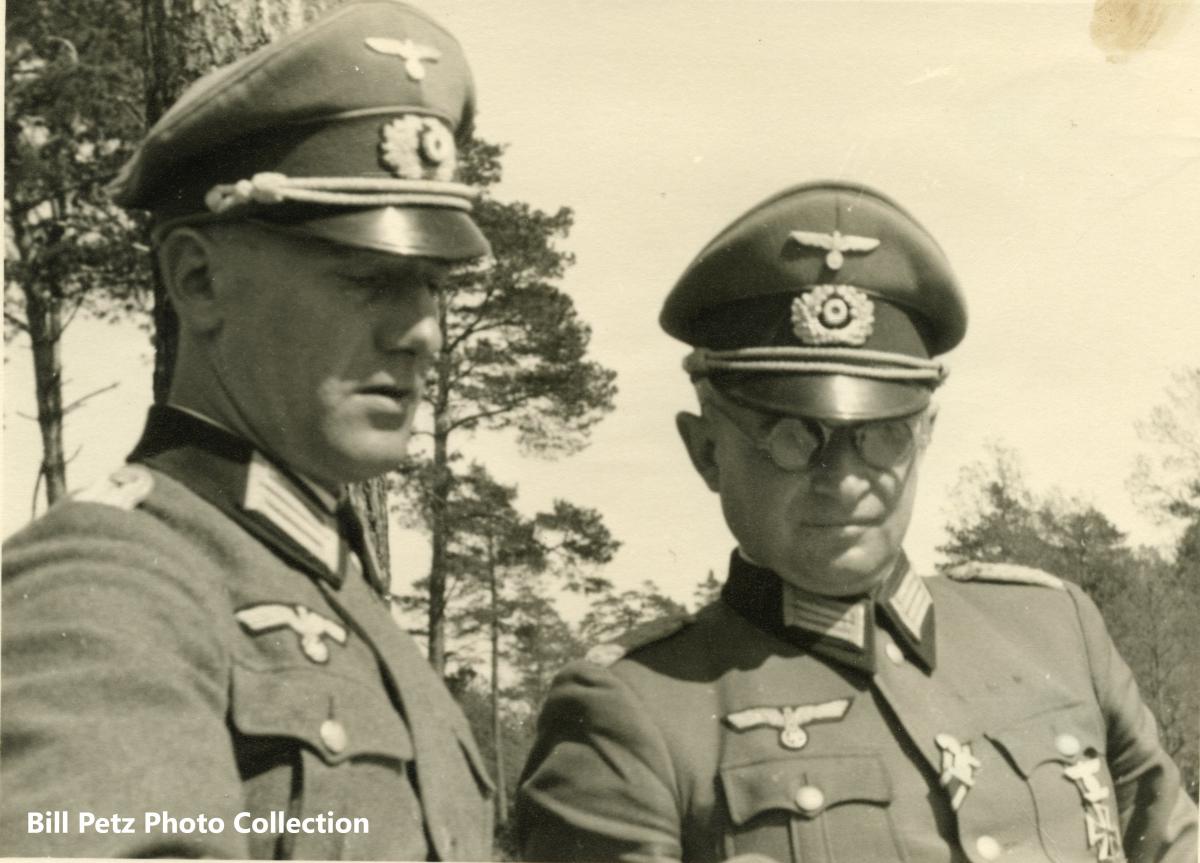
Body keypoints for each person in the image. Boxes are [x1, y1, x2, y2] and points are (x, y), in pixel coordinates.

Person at [515, 181, 1198, 863]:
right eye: (792, 437)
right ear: (706, 451)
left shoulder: (1054, 633)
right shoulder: (630, 714)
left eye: (882, 436)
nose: (844, 480)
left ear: (926, 433)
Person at [1, 1, 495, 857]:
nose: (423, 332)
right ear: (198, 280)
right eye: (366, 276)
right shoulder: (106, 586)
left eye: (432, 285)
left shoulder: (346, 599)